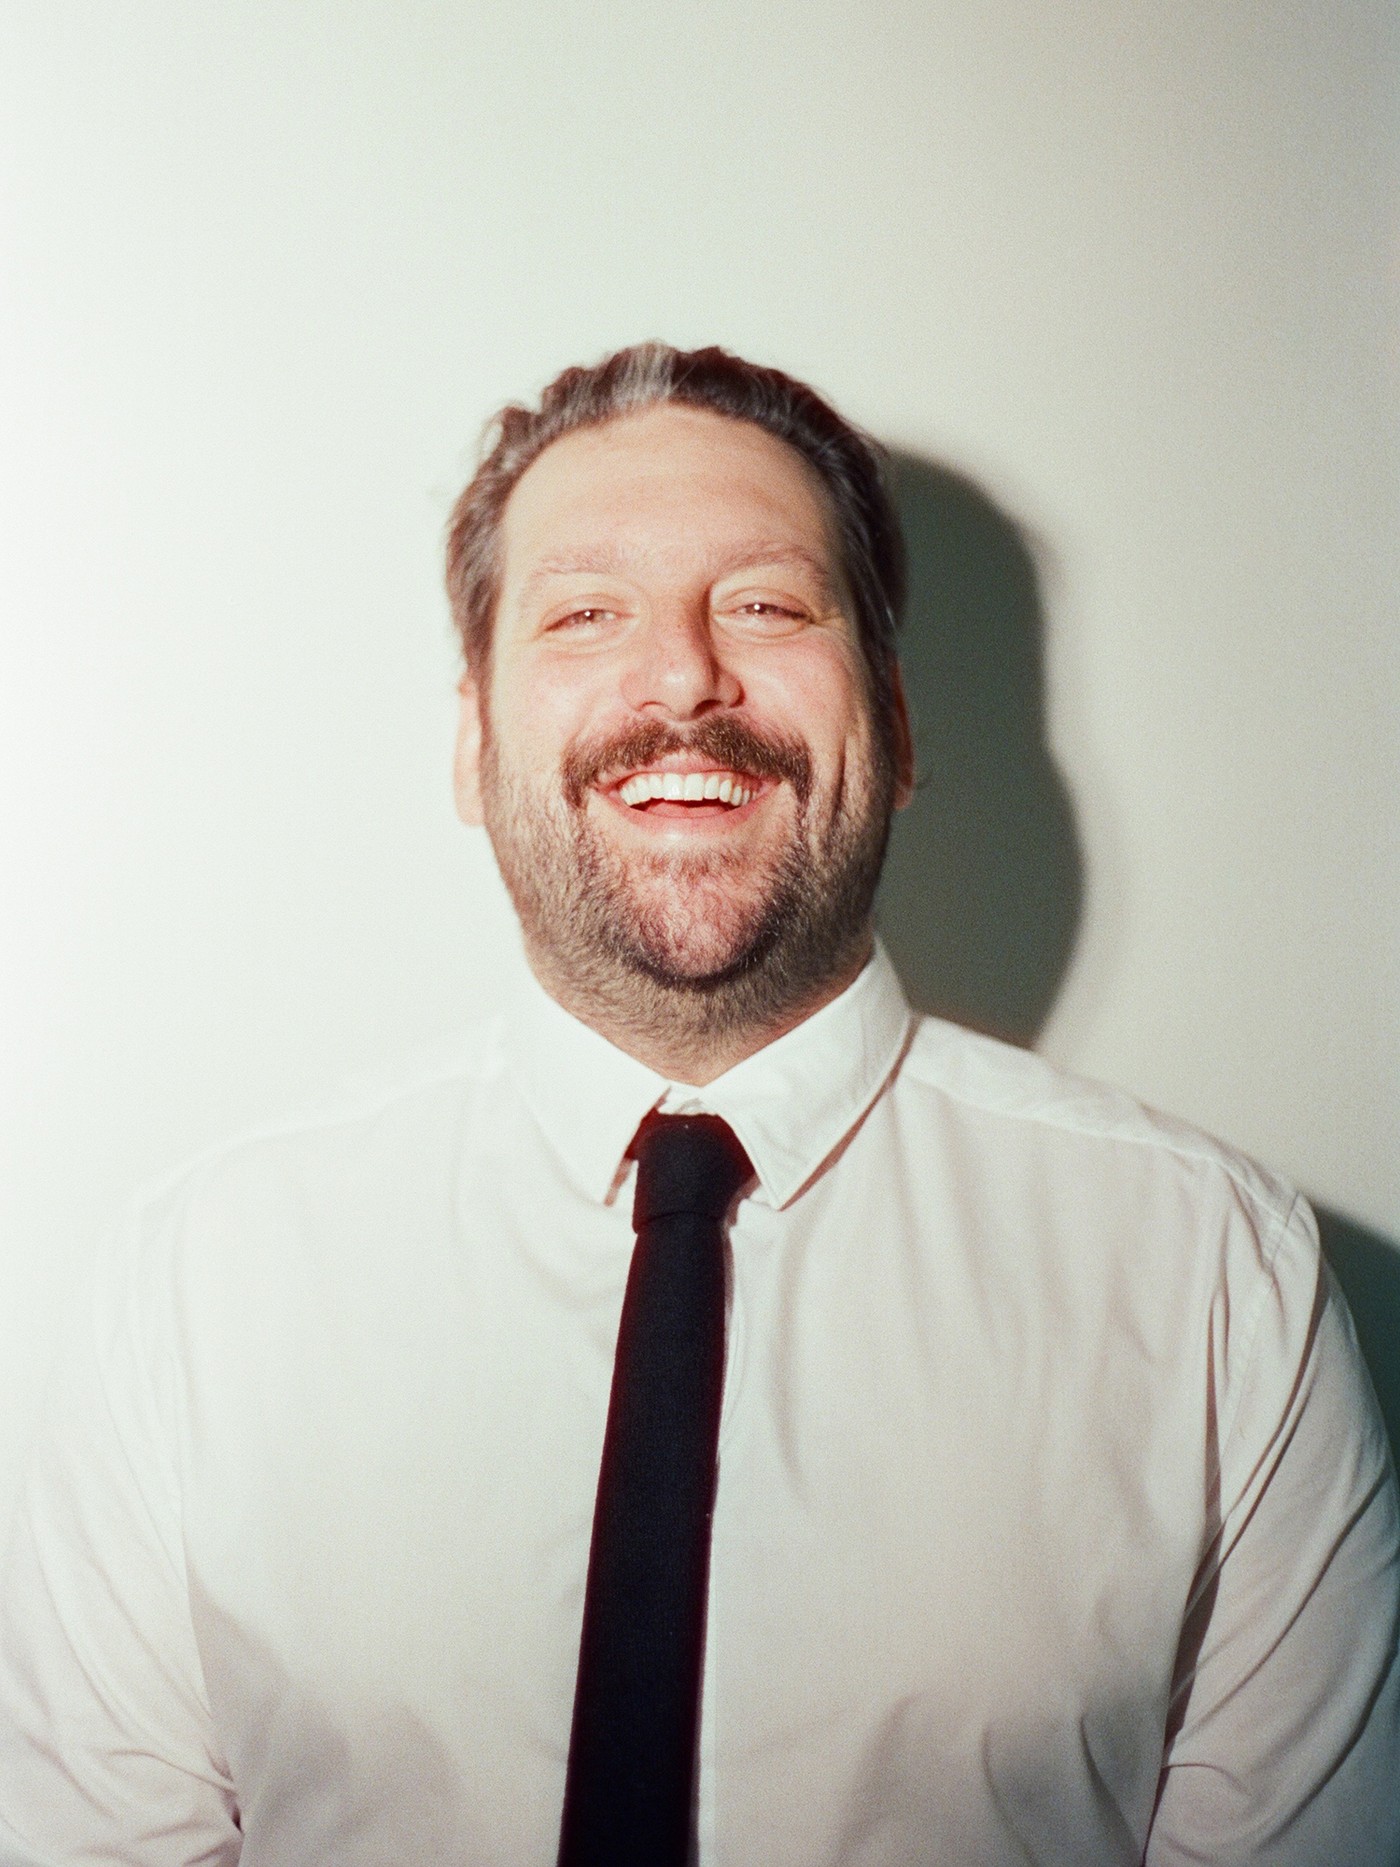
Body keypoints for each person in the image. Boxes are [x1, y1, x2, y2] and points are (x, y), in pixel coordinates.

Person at [1, 343, 1396, 1866]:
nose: (680, 675)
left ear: (901, 727)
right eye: (588, 613)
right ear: (472, 743)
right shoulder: (189, 1294)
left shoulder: (1218, 1284)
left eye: (769, 604)